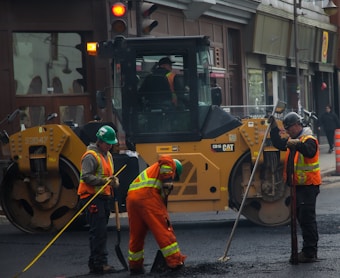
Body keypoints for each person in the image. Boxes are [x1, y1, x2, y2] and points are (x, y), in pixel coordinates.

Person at [269, 112, 321, 263]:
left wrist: (297, 144)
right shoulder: (295, 139)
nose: (288, 131)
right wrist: (273, 128)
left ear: (297, 125)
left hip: (308, 186)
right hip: (299, 186)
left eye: (289, 128)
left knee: (307, 219)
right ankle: (308, 250)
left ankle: (310, 252)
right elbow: (279, 143)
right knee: (301, 217)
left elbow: (309, 152)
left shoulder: (309, 139)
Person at [126, 154, 186, 275]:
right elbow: (165, 158)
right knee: (163, 229)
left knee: (137, 234)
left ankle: (135, 265)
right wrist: (168, 179)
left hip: (132, 199)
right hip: (147, 196)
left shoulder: (153, 174)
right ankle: (175, 262)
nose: (173, 178)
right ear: (175, 170)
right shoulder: (169, 165)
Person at [77, 125, 120, 274]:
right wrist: (105, 181)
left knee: (101, 231)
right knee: (98, 232)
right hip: (91, 198)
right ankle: (99, 264)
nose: (109, 146)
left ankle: (96, 262)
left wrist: (113, 181)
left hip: (103, 197)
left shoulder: (107, 155)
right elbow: (86, 176)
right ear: (99, 141)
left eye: (111, 144)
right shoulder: (90, 156)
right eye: (107, 143)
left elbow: (107, 175)